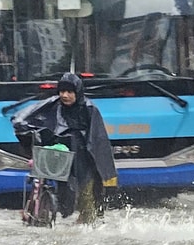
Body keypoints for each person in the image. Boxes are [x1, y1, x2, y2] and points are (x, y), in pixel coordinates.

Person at [12, 72, 118, 224]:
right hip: (60, 154)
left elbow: (97, 139)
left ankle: (87, 221)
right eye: (62, 91)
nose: (65, 95)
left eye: (69, 92)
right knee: (59, 185)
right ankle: (45, 210)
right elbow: (26, 117)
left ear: (77, 92)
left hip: (83, 158)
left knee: (86, 193)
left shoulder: (89, 109)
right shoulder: (53, 105)